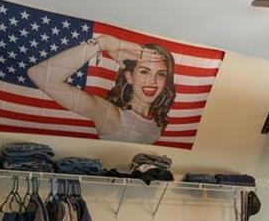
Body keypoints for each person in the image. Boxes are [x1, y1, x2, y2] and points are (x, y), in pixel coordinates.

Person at [27, 34, 176, 144]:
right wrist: (102, 43)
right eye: (144, 72)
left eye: (161, 74)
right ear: (130, 77)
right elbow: (39, 76)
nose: (153, 81)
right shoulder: (109, 114)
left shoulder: (159, 120)